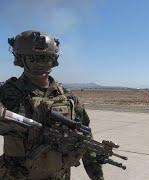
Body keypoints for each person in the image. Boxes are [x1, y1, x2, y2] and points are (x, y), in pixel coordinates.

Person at [0, 30, 104, 180]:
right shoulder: (7, 92)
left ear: (53, 60)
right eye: (34, 58)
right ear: (21, 59)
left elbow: (86, 141)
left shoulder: (68, 97)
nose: (41, 63)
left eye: (46, 58)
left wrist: (97, 177)